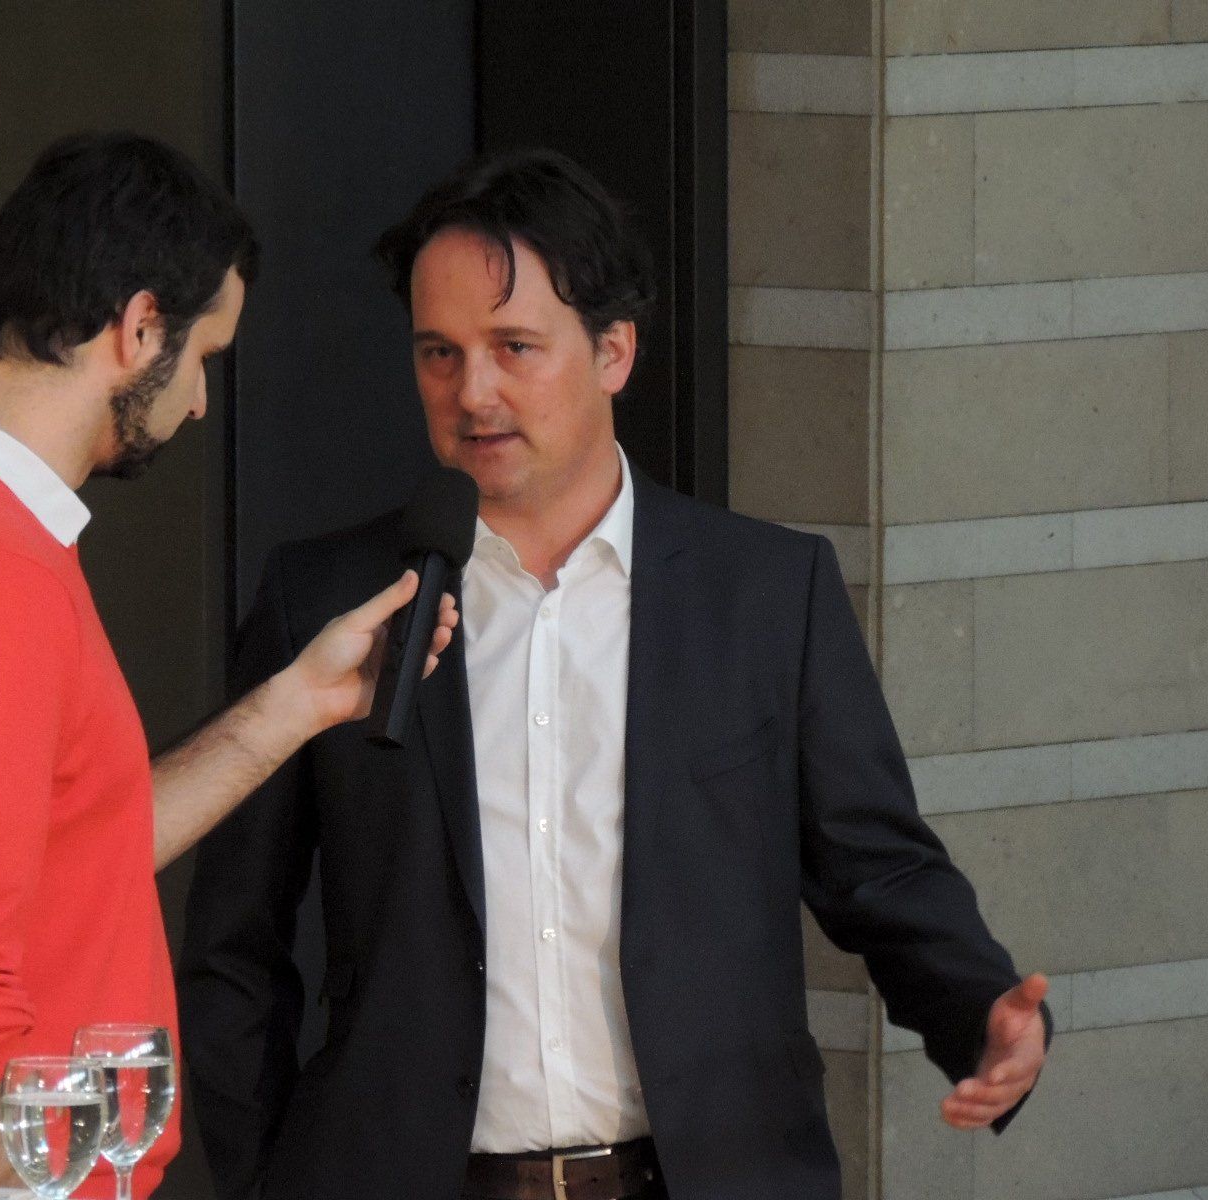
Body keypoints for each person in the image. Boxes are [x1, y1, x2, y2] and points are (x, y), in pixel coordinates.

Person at [178, 148, 1050, 1200]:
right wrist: (263, 1178)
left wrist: (980, 1012)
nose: (472, 392)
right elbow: (232, 943)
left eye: (514, 347)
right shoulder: (327, 601)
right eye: (439, 353)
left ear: (614, 352)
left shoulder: (765, 593)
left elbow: (880, 869)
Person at [0, 132, 454, 1195]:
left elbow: (72, 849)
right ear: (139, 326)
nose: (197, 402)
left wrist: (297, 705)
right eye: (203, 358)